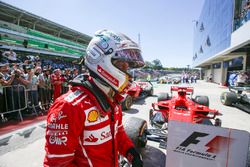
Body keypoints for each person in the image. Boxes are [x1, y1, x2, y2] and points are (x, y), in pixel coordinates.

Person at [44, 30, 144, 167]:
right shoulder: (69, 106)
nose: (127, 71)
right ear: (100, 59)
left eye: (128, 66)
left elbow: (118, 132)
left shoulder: (112, 98)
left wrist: (130, 152)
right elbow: (57, 164)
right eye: (122, 64)